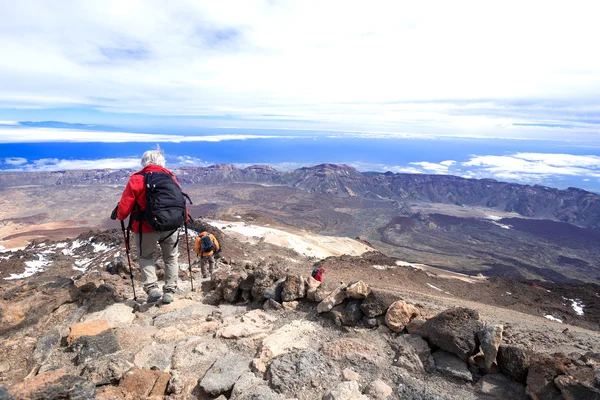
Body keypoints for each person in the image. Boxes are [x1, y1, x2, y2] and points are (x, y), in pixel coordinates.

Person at [116, 148, 186, 304]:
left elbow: (124, 207)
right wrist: (184, 218)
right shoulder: (170, 178)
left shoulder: (137, 179)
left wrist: (120, 215)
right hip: (171, 226)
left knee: (146, 256)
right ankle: (170, 291)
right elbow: (180, 201)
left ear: (144, 162)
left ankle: (152, 288)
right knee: (171, 258)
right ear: (162, 162)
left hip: (145, 228)